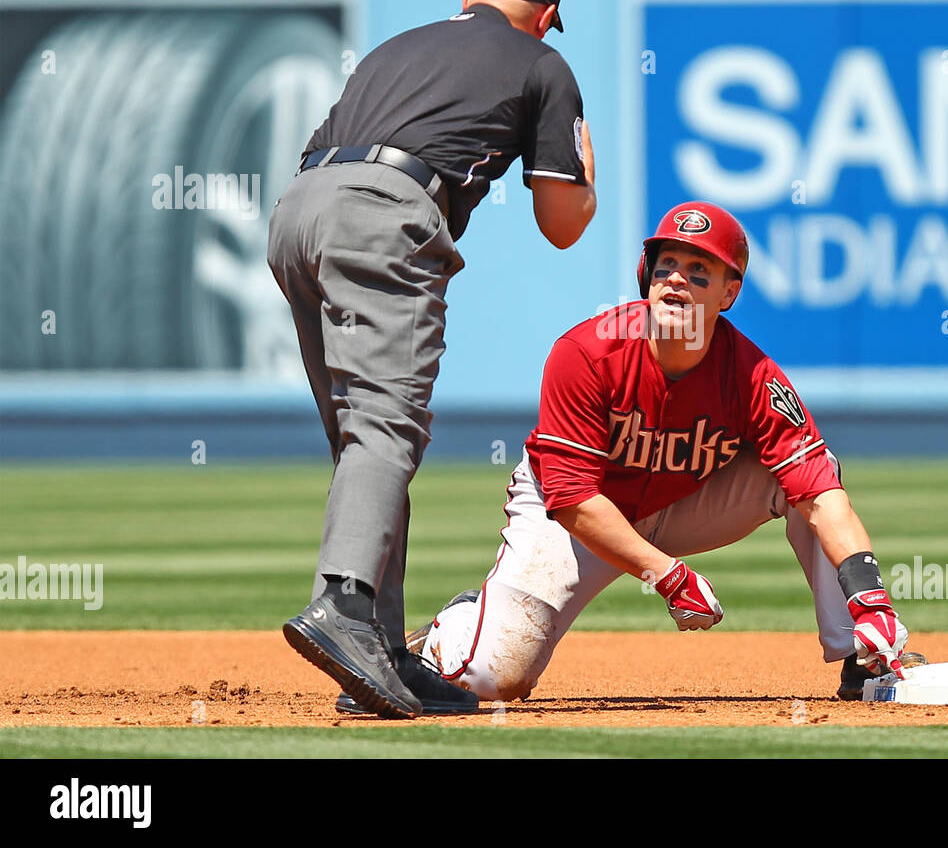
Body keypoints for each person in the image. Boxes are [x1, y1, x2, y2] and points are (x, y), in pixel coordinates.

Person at [335, 202, 909, 713]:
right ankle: (449, 635)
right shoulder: (587, 353)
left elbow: (820, 494)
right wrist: (667, 574)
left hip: (680, 503)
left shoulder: (752, 375)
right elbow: (574, 499)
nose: (676, 282)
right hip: (574, 515)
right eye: (665, 268)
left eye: (699, 271)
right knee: (493, 676)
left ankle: (861, 655)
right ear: (645, 278)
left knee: (807, 470)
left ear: (729, 293)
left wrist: (871, 597)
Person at [269, 0, 597, 719]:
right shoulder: (541, 63)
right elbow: (562, 224)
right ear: (546, 15)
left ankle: (376, 652)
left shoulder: (398, 47)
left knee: (362, 439)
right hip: (385, 214)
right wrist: (587, 171)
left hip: (299, 213)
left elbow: (324, 149)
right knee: (387, 429)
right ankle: (344, 609)